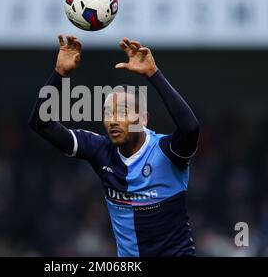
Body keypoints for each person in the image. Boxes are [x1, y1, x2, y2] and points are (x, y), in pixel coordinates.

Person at [29, 35, 200, 256]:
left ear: (143, 118)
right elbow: (40, 124)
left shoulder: (166, 152)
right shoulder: (100, 150)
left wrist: (153, 74)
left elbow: (191, 128)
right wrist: (59, 74)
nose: (113, 120)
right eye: (108, 113)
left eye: (123, 112)